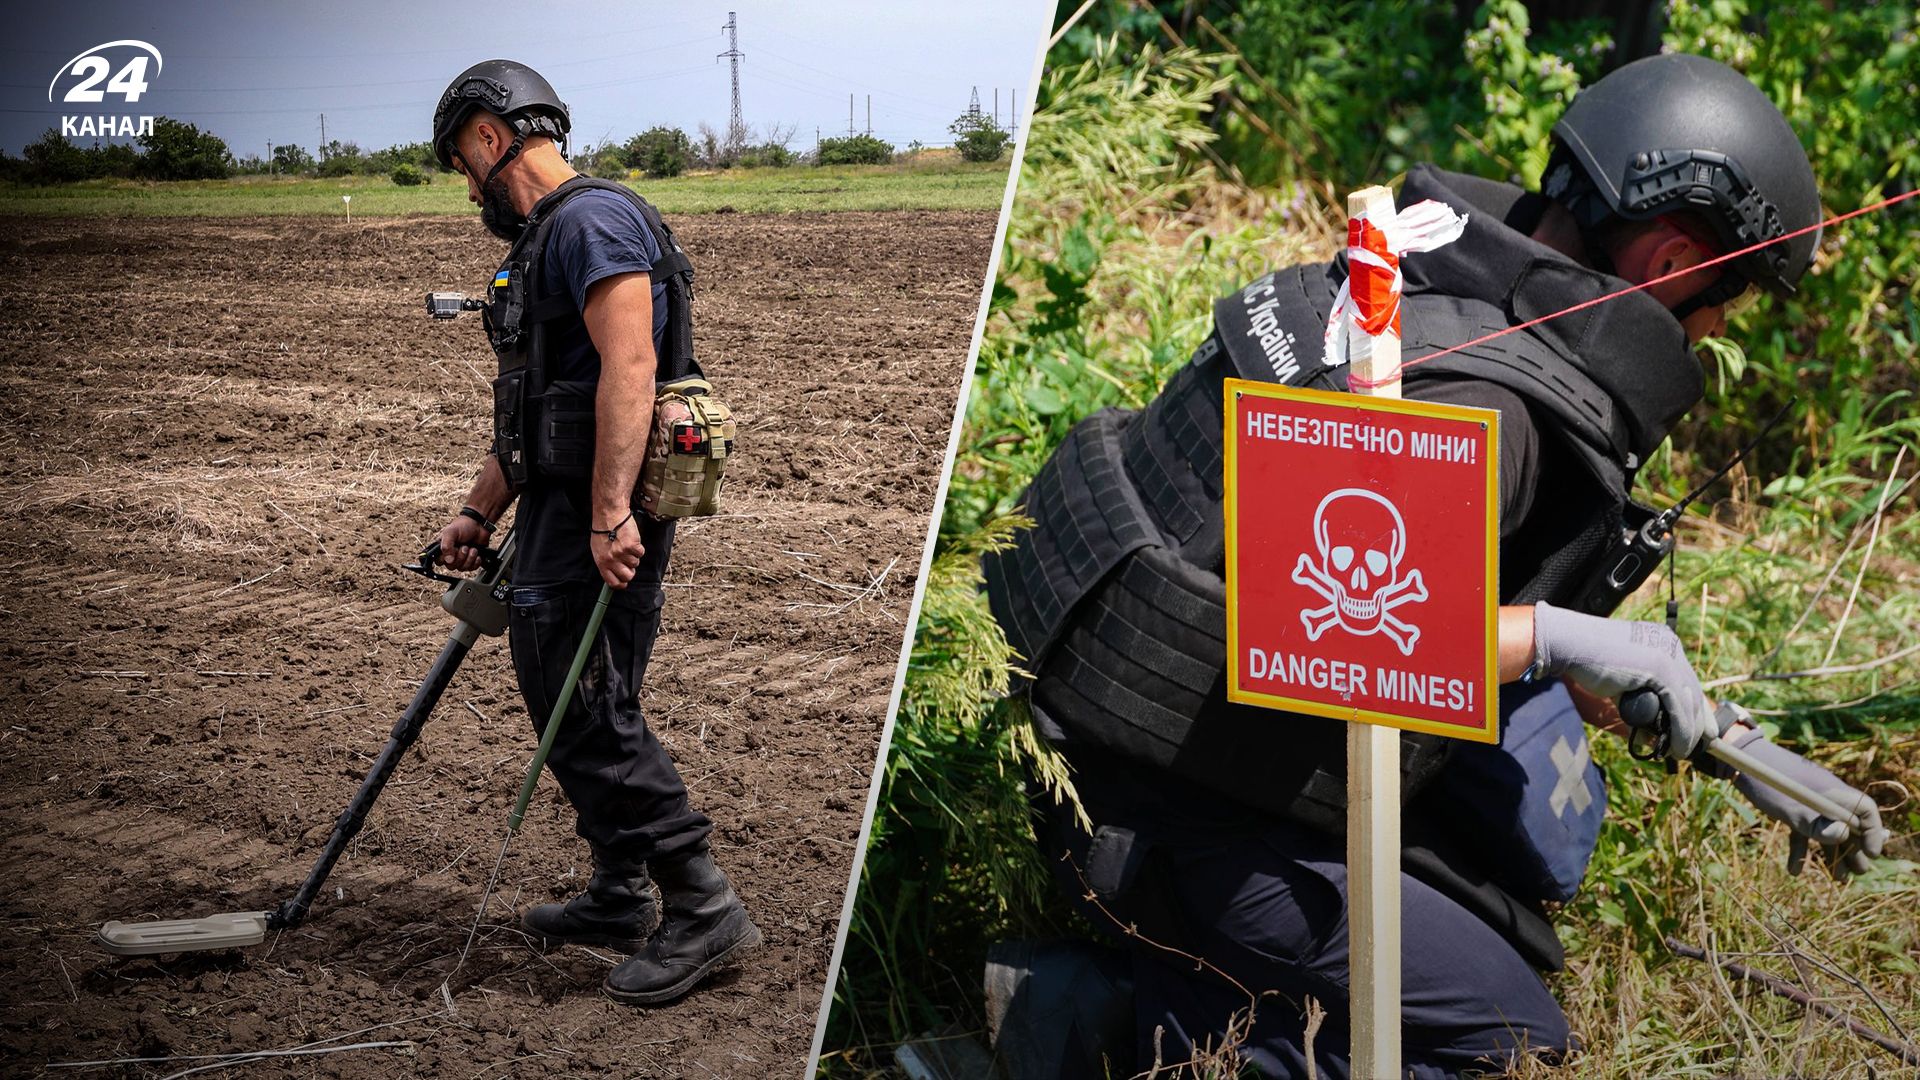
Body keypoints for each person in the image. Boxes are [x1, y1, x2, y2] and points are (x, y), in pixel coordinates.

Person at [983, 53, 1887, 1077]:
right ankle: (1086, 1025)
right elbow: (1316, 630)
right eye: (1731, 300)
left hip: (1124, 745)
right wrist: (1565, 636)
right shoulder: (1492, 411)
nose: (1722, 328)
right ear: (1675, 260)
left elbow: (1436, 602)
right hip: (1161, 818)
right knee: (1507, 1048)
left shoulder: (1429, 284)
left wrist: (1724, 740)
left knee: (1502, 922)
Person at [427, 59, 759, 1006]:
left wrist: (614, 511)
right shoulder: (548, 238)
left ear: (490, 138)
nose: (465, 183)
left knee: (587, 711)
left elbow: (630, 367)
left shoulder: (591, 221)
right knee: (575, 696)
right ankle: (620, 890)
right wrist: (477, 509)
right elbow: (540, 407)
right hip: (560, 503)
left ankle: (700, 905)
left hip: (594, 513)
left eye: (461, 160)